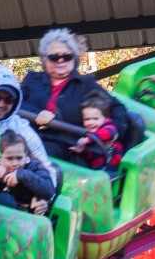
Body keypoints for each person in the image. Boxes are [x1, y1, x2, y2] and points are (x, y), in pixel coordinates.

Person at [22, 27, 135, 160]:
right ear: (44, 59)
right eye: (54, 57)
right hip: (25, 137)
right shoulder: (32, 80)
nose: (60, 60)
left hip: (65, 146)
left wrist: (114, 133)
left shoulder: (86, 84)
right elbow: (13, 102)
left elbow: (117, 108)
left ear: (74, 59)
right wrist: (37, 113)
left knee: (31, 155)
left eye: (67, 56)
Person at [0, 131, 54, 214]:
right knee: (6, 200)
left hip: (27, 214)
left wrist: (23, 175)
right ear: (0, 156)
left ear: (26, 155)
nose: (15, 164)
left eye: (19, 158)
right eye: (9, 158)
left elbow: (48, 190)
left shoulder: (34, 167)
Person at [70, 91, 123, 175]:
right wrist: (81, 150)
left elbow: (109, 133)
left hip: (111, 170)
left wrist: (86, 140)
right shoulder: (87, 133)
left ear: (105, 118)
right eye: (87, 119)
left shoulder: (109, 126)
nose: (91, 122)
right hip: (96, 171)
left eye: (95, 119)